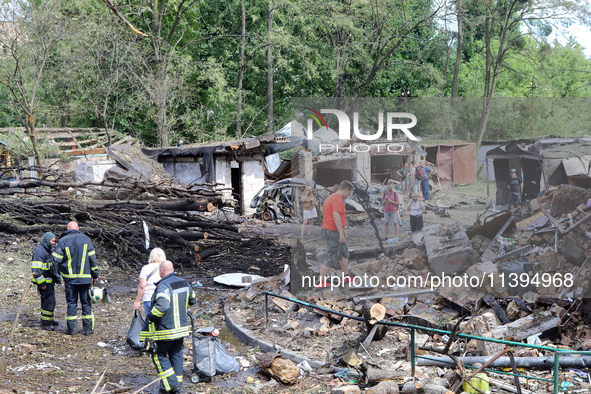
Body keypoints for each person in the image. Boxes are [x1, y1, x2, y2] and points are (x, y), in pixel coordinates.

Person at [140, 260, 196, 394]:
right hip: (181, 330)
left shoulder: (163, 285)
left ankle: (171, 384)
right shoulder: (184, 282)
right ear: (173, 269)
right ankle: (173, 388)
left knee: (158, 355)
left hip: (165, 330)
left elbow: (162, 306)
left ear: (161, 272)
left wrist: (151, 316)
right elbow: (192, 300)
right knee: (176, 355)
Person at [52, 221, 99, 336]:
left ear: (68, 228)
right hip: (85, 279)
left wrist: (60, 272)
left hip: (70, 279)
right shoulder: (86, 239)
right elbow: (92, 259)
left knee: (71, 303)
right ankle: (88, 330)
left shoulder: (63, 241)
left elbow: (56, 259)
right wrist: (95, 274)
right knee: (86, 303)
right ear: (78, 228)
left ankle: (72, 329)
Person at [316, 181, 354, 289]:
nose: (348, 196)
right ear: (346, 190)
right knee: (332, 255)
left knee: (344, 251)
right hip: (332, 230)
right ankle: (320, 281)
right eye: (349, 193)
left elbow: (330, 215)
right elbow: (336, 215)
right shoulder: (337, 199)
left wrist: (341, 229)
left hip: (332, 229)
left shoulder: (331, 197)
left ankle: (346, 275)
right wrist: (341, 233)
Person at [31, 232, 60, 330]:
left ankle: (48, 320)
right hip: (44, 281)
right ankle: (46, 324)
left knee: (49, 302)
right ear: (48, 240)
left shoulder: (47, 250)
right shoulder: (40, 252)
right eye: (53, 241)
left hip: (48, 280)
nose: (54, 243)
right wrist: (42, 283)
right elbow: (36, 270)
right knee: (49, 302)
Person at [133, 248, 166, 317]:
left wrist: (137, 301)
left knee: (150, 321)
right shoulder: (165, 268)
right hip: (163, 297)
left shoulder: (146, 268)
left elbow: (142, 286)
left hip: (149, 298)